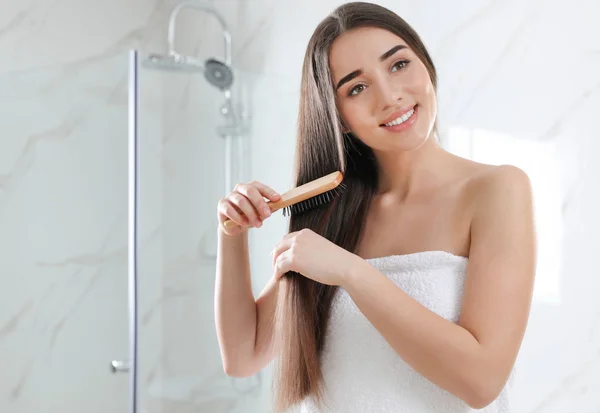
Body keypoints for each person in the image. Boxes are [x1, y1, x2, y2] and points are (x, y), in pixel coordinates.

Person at [214, 2, 537, 412]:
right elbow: (244, 357)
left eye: (399, 65)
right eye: (356, 88)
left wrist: (352, 272)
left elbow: (482, 380)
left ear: (425, 64)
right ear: (339, 116)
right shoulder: (333, 209)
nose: (390, 96)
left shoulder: (497, 189)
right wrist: (232, 233)